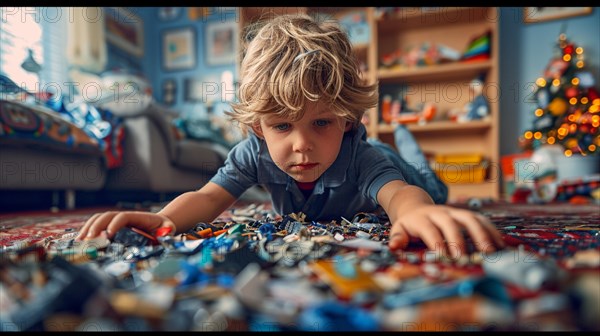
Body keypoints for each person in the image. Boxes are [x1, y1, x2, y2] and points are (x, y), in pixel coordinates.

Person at [77, 14, 504, 256]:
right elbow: (209, 199)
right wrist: (165, 219)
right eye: (282, 125)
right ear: (257, 127)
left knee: (424, 182)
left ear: (348, 121)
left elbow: (397, 196)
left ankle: (414, 150)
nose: (301, 144)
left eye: (322, 122)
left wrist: (413, 213)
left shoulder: (362, 156)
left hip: (409, 178)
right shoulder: (252, 152)